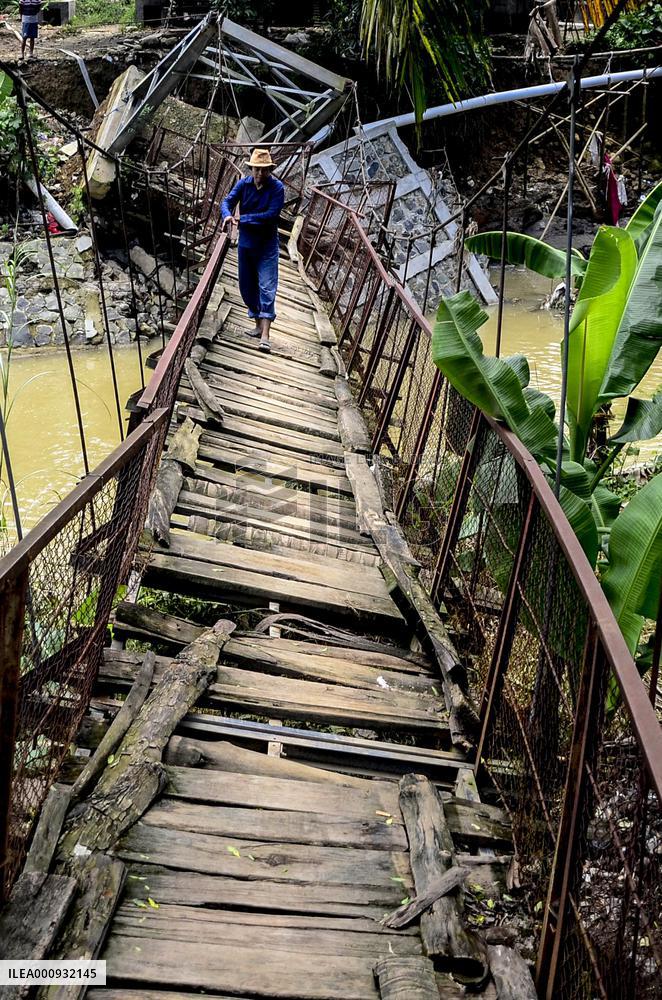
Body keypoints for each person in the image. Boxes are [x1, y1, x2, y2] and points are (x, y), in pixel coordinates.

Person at [220, 148, 284, 354]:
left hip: (266, 246)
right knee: (247, 288)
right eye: (257, 169)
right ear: (251, 169)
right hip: (246, 243)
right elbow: (227, 202)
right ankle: (257, 325)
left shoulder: (277, 188)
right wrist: (227, 216)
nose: (259, 174)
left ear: (270, 171)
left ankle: (265, 335)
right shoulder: (243, 184)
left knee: (267, 286)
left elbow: (272, 214)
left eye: (264, 170)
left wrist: (242, 219)